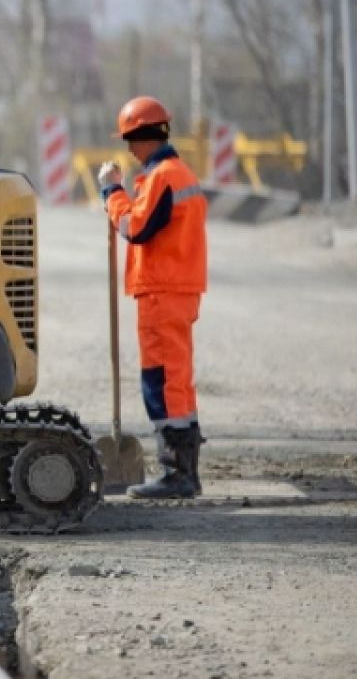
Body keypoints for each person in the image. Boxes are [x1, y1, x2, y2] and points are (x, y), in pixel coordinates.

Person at [98, 96, 208, 499]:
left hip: (163, 291)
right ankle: (185, 471)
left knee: (161, 382)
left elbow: (136, 228)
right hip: (178, 289)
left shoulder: (163, 178)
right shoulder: (180, 175)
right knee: (176, 380)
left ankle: (177, 474)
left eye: (130, 140)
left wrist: (111, 191)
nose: (128, 149)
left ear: (143, 137)